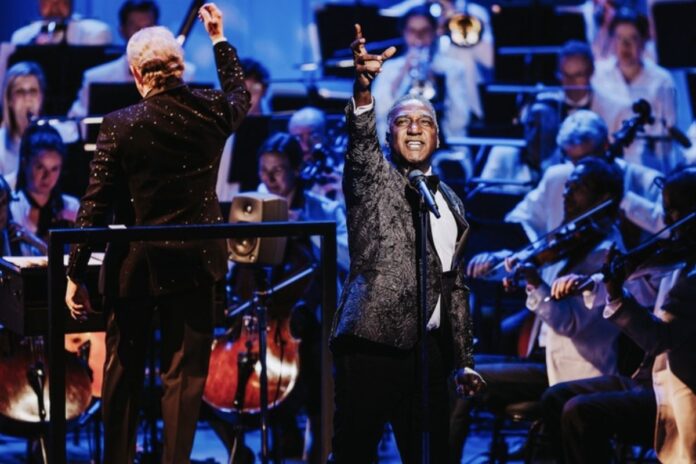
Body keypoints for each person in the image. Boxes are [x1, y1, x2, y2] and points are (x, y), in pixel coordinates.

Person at [64, 4, 251, 463]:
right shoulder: (212, 112)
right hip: (196, 267)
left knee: (123, 375)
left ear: (136, 74)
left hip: (136, 269)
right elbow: (240, 94)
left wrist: (75, 272)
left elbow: (94, 204)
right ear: (180, 68)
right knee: (184, 382)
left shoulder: (119, 125)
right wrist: (219, 38)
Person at [329, 24, 484, 463]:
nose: (414, 128)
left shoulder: (451, 203)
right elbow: (360, 143)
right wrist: (363, 89)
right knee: (355, 453)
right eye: (402, 121)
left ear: (438, 136)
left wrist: (463, 359)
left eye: (424, 122)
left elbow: (454, 287)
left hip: (428, 355)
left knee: (431, 455)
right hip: (372, 346)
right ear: (389, 133)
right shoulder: (373, 179)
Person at [451, 157, 626, 462]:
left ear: (602, 200)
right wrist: (494, 261)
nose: (567, 194)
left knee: (460, 378)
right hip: (541, 358)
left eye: (578, 188)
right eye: (568, 186)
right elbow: (526, 261)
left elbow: (568, 323)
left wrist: (533, 283)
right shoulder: (571, 238)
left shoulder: (605, 254)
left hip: (572, 373)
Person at [540, 166, 696, 464]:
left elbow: (658, 339)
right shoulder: (680, 257)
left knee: (580, 412)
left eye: (674, 211)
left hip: (679, 391)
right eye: (665, 210)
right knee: (555, 397)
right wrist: (595, 284)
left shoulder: (692, 273)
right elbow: (643, 284)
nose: (667, 221)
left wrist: (614, 293)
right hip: (649, 379)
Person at [372, 5, 481, 145]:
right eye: (412, 31)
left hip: (442, 149)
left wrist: (438, 84)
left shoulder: (453, 69)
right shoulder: (390, 68)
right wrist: (403, 73)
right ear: (403, 33)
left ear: (435, 32)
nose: (418, 37)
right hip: (396, 150)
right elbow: (379, 113)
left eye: (425, 31)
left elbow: (459, 121)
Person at [67, 0, 196, 118]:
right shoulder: (95, 78)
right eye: (136, 29)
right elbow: (75, 123)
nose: (144, 36)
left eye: (149, 28)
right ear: (122, 31)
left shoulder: (184, 74)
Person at [591, 7, 681, 174]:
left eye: (633, 38)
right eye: (619, 38)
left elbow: (667, 133)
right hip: (605, 162)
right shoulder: (598, 74)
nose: (625, 46)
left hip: (648, 166)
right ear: (612, 41)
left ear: (644, 41)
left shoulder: (662, 79)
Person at [10, 123, 79, 256]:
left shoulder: (71, 206)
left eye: (54, 169)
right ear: (25, 164)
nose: (47, 176)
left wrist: (29, 238)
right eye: (40, 167)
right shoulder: (11, 207)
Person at [479, 99, 562, 193]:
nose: (535, 134)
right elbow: (483, 194)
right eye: (531, 125)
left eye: (543, 127)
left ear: (556, 130)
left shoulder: (564, 162)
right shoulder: (502, 154)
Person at [0, 62, 46, 190]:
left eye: (33, 91)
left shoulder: (56, 137)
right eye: (20, 92)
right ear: (9, 100)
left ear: (41, 97)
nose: (28, 99)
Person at [11, 0, 112, 46]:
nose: (54, 7)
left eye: (61, 2)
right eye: (49, 2)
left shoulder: (96, 33)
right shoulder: (21, 38)